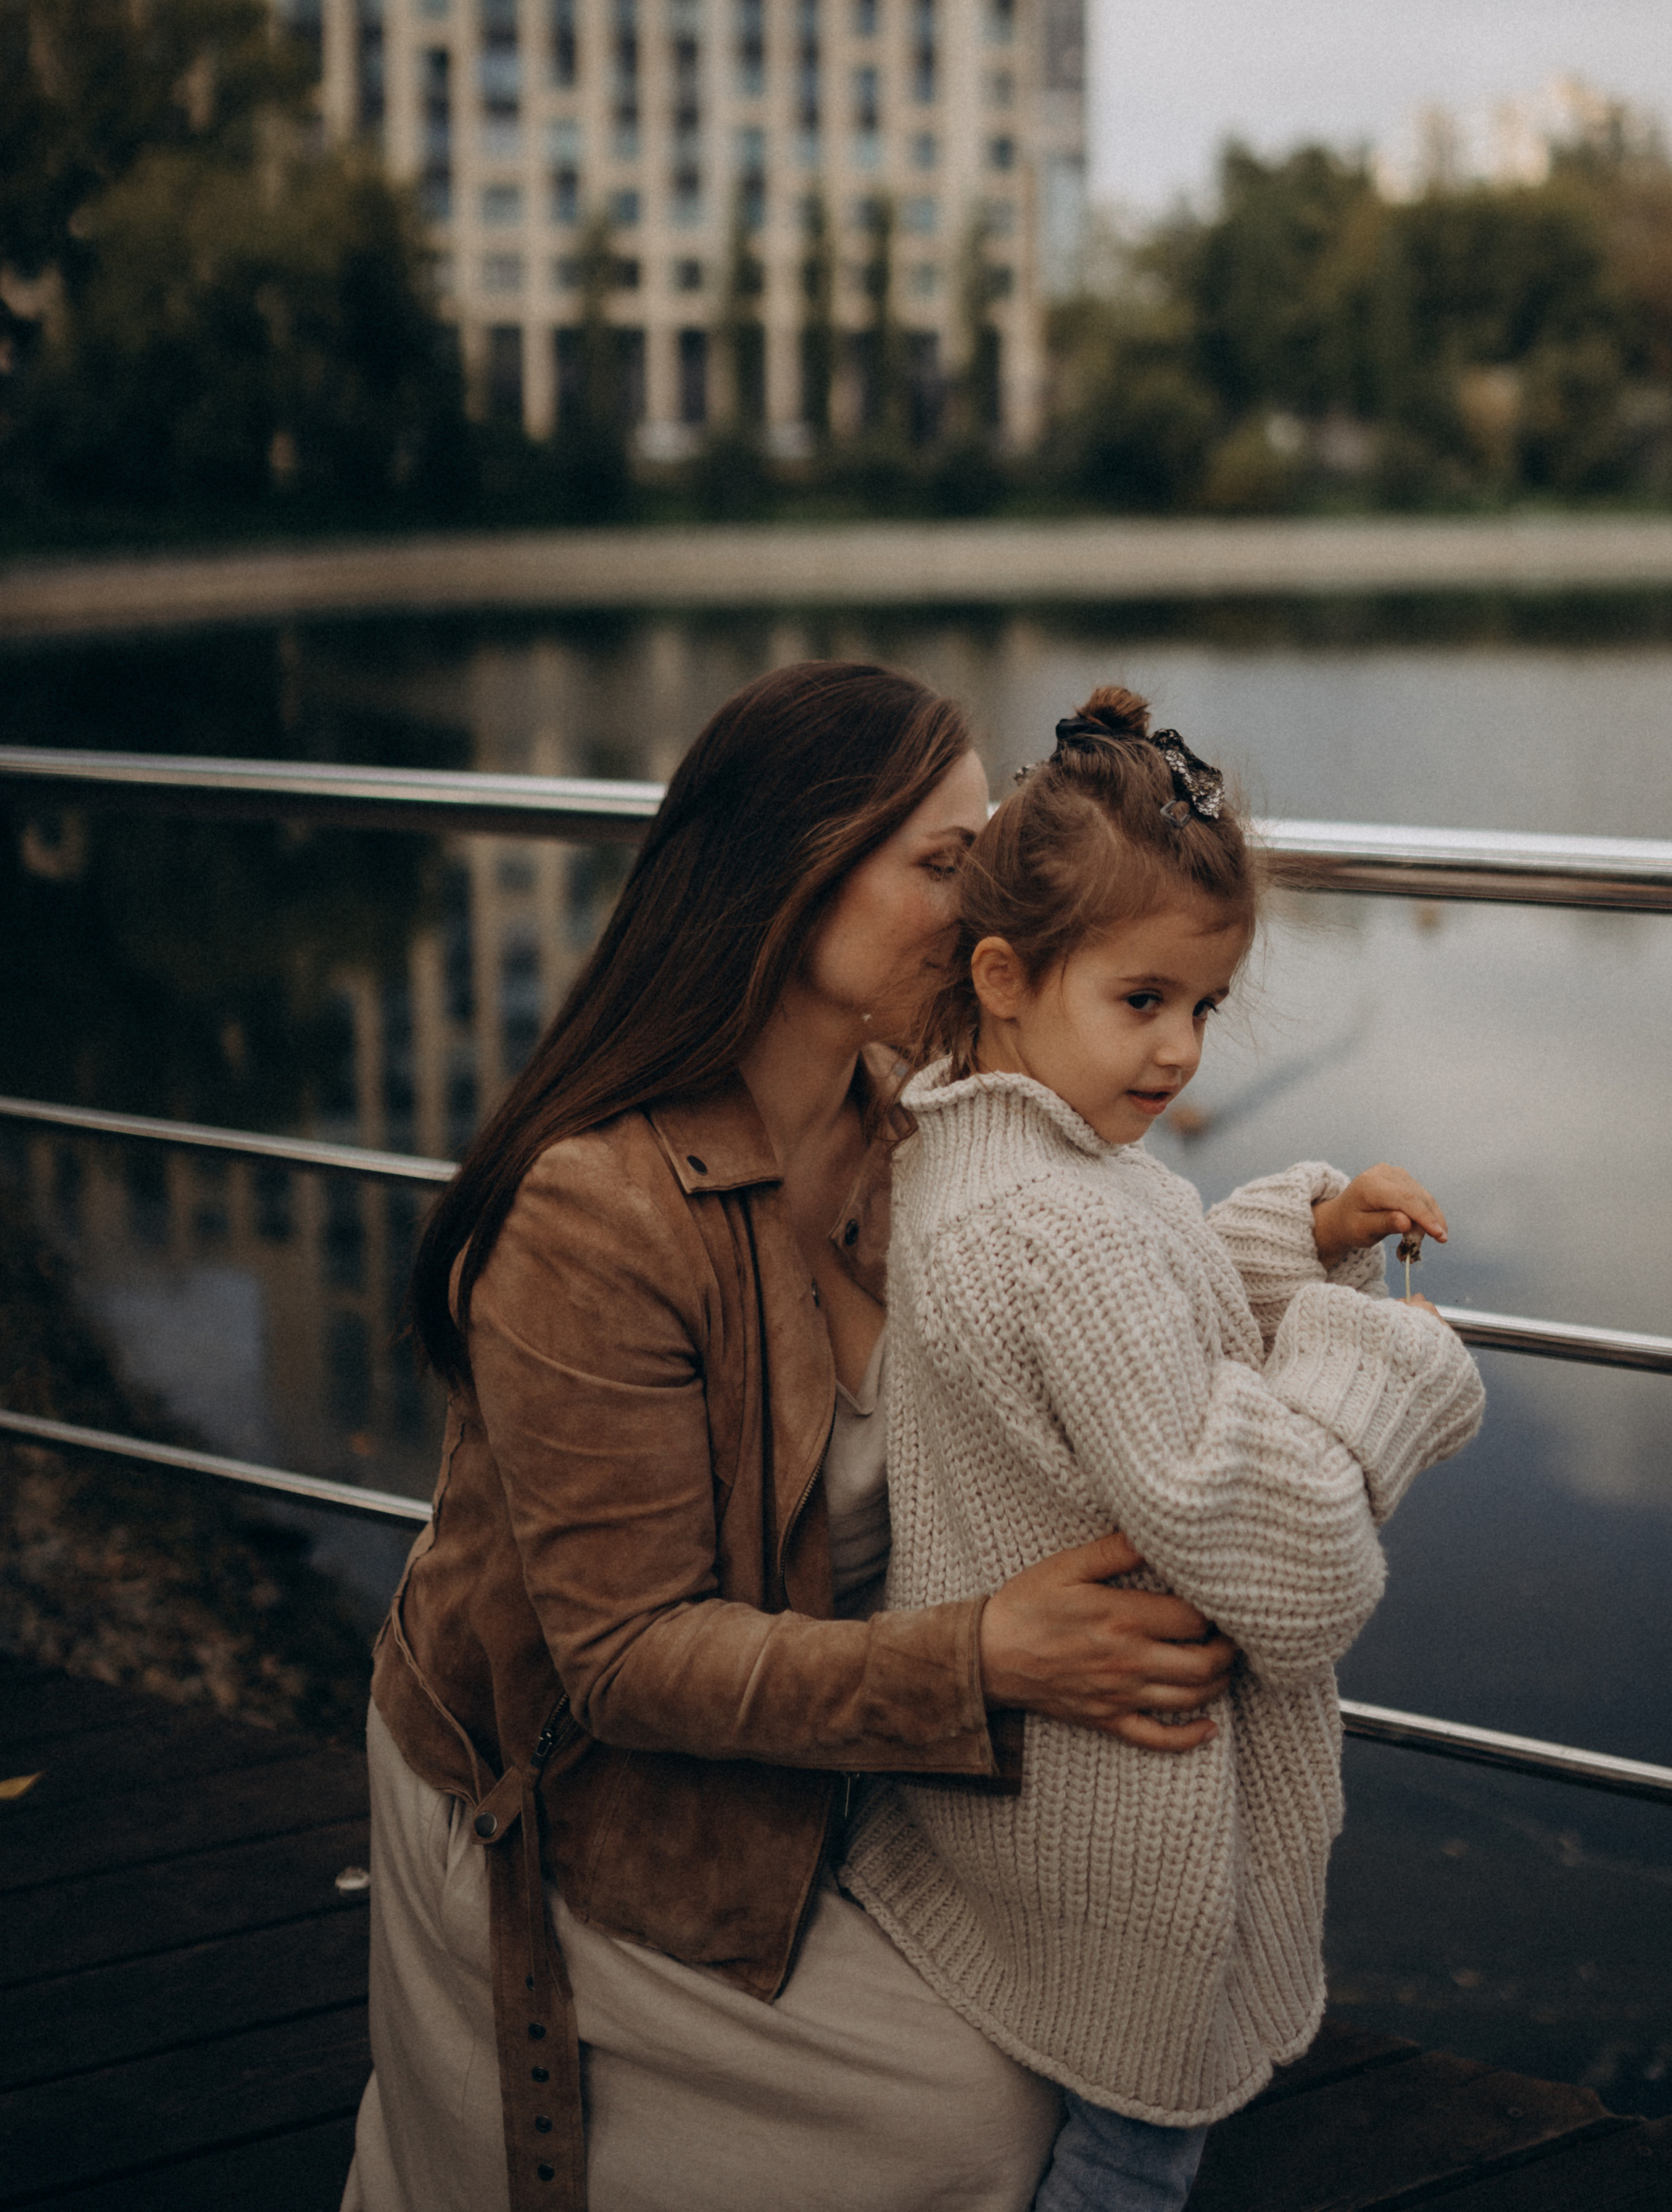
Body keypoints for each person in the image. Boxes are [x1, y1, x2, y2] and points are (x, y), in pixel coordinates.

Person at [342, 661, 1244, 2212]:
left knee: (1132, 2013)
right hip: (586, 1799)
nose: (992, 905)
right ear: (786, 877)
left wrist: (1299, 1271)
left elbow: (1120, 1259)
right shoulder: (589, 1212)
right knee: (977, 2121)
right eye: (944, 861)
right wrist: (986, 1663)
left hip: (835, 1754)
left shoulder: (926, 1113)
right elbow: (619, 1657)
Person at [844, 687, 1486, 2212]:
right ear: (1004, 974)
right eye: (1143, 1003)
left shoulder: (989, 1131)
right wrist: (1377, 1363)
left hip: (1042, 1793)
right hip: (1119, 1810)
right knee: (1133, 2148)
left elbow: (1152, 1316)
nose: (1181, 1052)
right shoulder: (1052, 1224)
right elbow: (1290, 1559)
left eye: (1203, 1006)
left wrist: (1302, 1236)